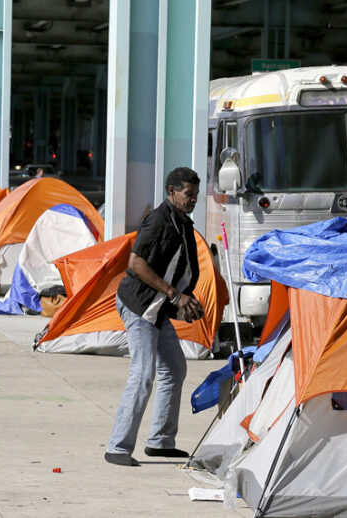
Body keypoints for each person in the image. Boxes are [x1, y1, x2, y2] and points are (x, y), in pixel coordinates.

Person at [105, 167, 204, 467]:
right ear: (172, 191)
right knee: (144, 373)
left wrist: (186, 300)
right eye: (189, 195)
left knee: (174, 368)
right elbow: (136, 263)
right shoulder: (158, 219)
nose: (193, 201)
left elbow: (181, 268)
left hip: (158, 308)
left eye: (196, 196)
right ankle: (118, 448)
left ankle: (160, 442)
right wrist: (175, 295)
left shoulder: (182, 223)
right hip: (139, 306)